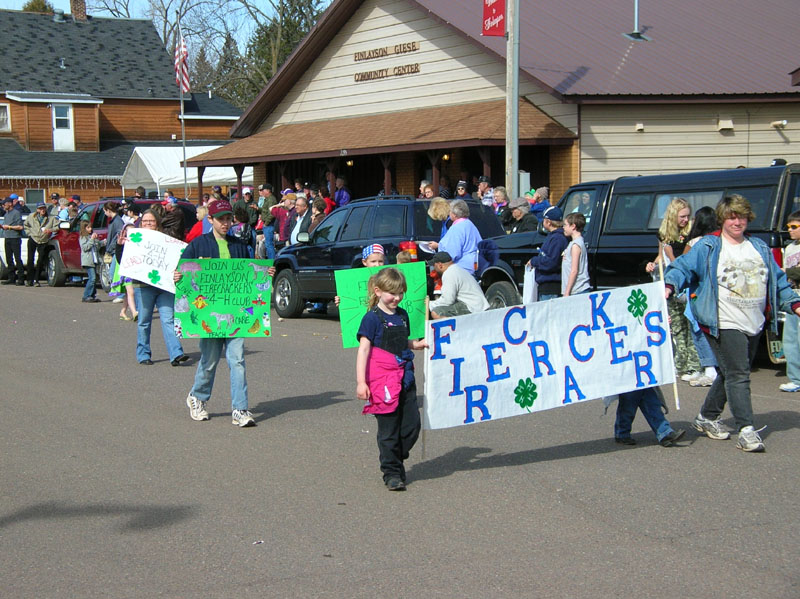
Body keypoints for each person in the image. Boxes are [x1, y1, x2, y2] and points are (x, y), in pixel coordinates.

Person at [665, 195, 800, 452]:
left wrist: (794, 304)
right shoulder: (709, 246)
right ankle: (746, 429)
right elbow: (682, 268)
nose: (737, 221)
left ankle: (707, 416)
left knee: (730, 372)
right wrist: (670, 285)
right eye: (732, 217)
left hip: (755, 322)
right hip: (722, 320)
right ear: (722, 219)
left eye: (742, 216)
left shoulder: (758, 247)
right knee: (740, 374)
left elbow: (778, 282)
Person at [178, 198, 275, 428]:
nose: (225, 223)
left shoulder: (240, 245)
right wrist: (178, 276)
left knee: (237, 359)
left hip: (236, 314)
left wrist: (264, 273)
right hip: (208, 315)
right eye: (220, 219)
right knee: (210, 360)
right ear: (210, 219)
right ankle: (197, 397)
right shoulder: (198, 245)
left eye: (228, 219)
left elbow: (250, 274)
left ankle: (240, 409)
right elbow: (183, 272)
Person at [356, 268, 428, 490]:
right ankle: (391, 473)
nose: (397, 298)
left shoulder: (403, 315)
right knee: (388, 430)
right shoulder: (371, 319)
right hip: (381, 381)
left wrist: (416, 345)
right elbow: (364, 351)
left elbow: (402, 342)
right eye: (392, 293)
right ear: (378, 291)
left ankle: (396, 458)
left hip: (405, 377)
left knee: (412, 426)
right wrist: (361, 382)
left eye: (400, 293)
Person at [646, 198, 702, 382]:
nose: (686, 220)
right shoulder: (663, 234)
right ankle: (681, 364)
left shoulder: (690, 234)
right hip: (670, 284)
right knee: (676, 326)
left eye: (688, 216)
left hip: (687, 283)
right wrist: (653, 264)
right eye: (682, 216)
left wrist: (671, 255)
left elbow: (684, 258)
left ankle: (695, 365)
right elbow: (661, 256)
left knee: (690, 325)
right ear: (673, 216)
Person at [126, 210, 188, 366]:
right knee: (144, 321)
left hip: (164, 286)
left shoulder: (166, 240)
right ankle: (143, 354)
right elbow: (124, 258)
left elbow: (176, 260)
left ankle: (176, 354)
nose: (148, 224)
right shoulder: (135, 239)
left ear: (157, 224)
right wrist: (121, 246)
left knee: (168, 319)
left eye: (151, 221)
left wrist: (177, 273)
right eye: (145, 221)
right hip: (143, 286)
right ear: (140, 224)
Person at [681, 206, 719, 387]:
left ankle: (709, 368)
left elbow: (683, 264)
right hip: (716, 293)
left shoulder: (695, 242)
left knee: (697, 329)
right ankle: (712, 367)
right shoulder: (720, 241)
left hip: (697, 292)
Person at [613, 388, 686, 447]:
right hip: (629, 379)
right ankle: (622, 433)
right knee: (628, 406)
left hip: (644, 376)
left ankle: (664, 433)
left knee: (652, 403)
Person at [428, 252, 489, 319]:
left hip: (472, 307)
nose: (434, 268)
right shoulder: (458, 269)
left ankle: (456, 329)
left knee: (437, 312)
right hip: (479, 304)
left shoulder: (449, 274)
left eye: (434, 265)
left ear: (440, 265)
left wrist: (429, 304)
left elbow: (447, 300)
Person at [428, 199, 482, 273]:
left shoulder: (456, 228)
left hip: (462, 268)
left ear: (454, 214)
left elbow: (452, 253)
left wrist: (439, 247)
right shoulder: (469, 224)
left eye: (450, 211)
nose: (449, 214)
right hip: (474, 264)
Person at [527, 206, 568, 300]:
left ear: (548, 222)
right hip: (546, 285)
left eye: (544, 219)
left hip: (551, 287)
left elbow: (551, 262)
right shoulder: (554, 236)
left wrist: (534, 261)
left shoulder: (557, 238)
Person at [779, 210, 800, 392]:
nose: (790, 230)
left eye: (794, 227)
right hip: (792, 294)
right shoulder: (790, 247)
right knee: (790, 340)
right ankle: (795, 378)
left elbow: (791, 271)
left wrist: (787, 272)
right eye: (788, 227)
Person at [24, 203, 58, 287]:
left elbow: (57, 227)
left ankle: (36, 279)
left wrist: (50, 230)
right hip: (33, 238)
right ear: (37, 210)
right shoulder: (32, 216)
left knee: (40, 260)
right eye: (40, 208)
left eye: (44, 208)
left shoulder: (51, 218)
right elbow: (25, 225)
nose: (42, 210)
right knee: (30, 260)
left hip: (43, 240)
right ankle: (29, 280)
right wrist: (29, 233)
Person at [561, 212, 591, 297]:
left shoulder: (576, 245)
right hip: (576, 290)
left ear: (573, 226)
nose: (563, 227)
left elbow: (574, 270)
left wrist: (567, 292)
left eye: (565, 225)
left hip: (577, 290)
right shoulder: (575, 243)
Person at [1, 196, 25, 285]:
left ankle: (21, 278)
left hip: (15, 238)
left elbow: (20, 227)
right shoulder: (6, 214)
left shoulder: (16, 213)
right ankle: (11, 278)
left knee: (17, 258)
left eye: (4, 204)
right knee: (8, 258)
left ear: (10, 204)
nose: (3, 206)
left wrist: (9, 227)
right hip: (7, 238)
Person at [78, 220, 104, 303]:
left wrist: (102, 242)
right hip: (88, 261)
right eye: (88, 227)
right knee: (92, 278)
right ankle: (86, 295)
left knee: (94, 278)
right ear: (84, 228)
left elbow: (98, 245)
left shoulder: (91, 237)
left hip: (94, 260)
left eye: (91, 227)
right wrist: (92, 239)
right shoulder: (83, 238)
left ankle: (92, 295)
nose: (90, 229)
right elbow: (85, 248)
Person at [257, 183, 278, 259]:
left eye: (263, 190)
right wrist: (257, 208)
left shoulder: (271, 199)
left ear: (268, 191)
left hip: (269, 225)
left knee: (269, 244)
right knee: (267, 244)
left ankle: (271, 262)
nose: (262, 192)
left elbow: (272, 213)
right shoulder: (267, 199)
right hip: (267, 225)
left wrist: (266, 223)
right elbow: (265, 210)